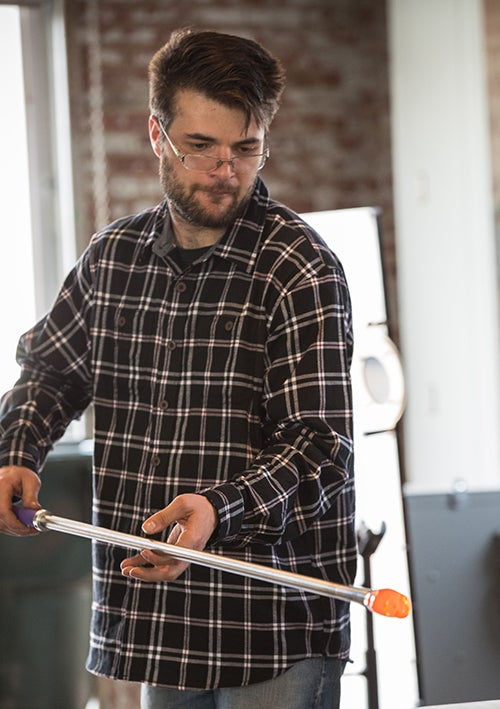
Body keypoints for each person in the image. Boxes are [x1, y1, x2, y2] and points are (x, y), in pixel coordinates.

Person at [0, 27, 356, 709]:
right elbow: (49, 370)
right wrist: (20, 448)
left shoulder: (299, 268)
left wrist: (216, 510)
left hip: (273, 625)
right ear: (157, 134)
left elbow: (321, 448)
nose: (225, 170)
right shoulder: (113, 259)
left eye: (244, 149)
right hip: (166, 622)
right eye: (201, 146)